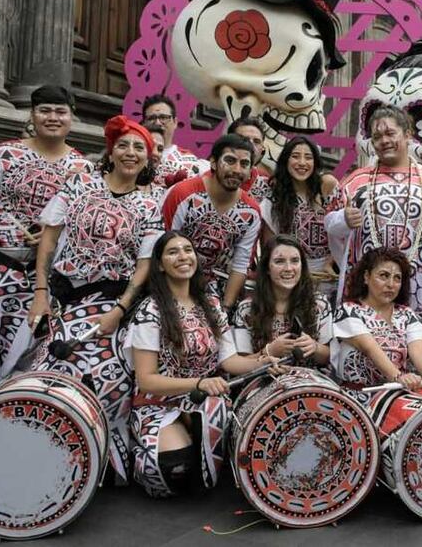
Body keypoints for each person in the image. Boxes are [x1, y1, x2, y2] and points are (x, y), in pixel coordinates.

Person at [28, 115, 163, 483]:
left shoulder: (152, 206)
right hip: (67, 303)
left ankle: (93, 466)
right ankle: (40, 455)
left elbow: (143, 266)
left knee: (112, 381)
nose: (130, 153)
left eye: (139, 147)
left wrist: (120, 311)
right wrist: (40, 293)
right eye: (124, 145)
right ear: (111, 150)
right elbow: (49, 242)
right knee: (53, 372)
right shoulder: (79, 185)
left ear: (148, 158)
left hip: (114, 308)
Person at [0, 85, 91, 428]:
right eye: (45, 110)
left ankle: (6, 437)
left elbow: (80, 224)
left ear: (71, 117)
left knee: (28, 361)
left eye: (60, 111)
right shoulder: (5, 155)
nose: (53, 118)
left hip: (42, 281)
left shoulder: (82, 168)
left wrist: (53, 236)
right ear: (32, 115)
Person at [126, 231, 276, 497]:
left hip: (204, 400)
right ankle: (145, 445)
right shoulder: (150, 311)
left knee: (214, 412)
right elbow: (146, 380)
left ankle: (196, 433)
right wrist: (199, 382)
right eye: (173, 252)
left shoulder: (211, 304)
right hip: (158, 403)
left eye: (187, 250)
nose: (183, 256)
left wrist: (264, 361)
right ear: (160, 264)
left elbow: (229, 361)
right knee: (173, 470)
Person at [326, 105, 422, 316]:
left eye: (390, 133)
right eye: (377, 137)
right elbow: (330, 225)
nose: (384, 141)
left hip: (419, 285)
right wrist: (344, 219)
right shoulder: (356, 181)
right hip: (366, 284)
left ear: (407, 135)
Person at [162, 134, 261, 310]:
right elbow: (162, 248)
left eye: (244, 164)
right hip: (168, 285)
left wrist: (225, 309)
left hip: (213, 290)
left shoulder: (251, 211)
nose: (237, 170)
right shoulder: (183, 194)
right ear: (214, 162)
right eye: (230, 160)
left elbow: (241, 264)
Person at [332, 247, 422, 389]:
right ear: (366, 277)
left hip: (398, 393)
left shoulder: (406, 314)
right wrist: (397, 376)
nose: (391, 284)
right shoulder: (348, 310)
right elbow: (369, 348)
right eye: (384, 276)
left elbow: (417, 347)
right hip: (359, 396)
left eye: (397, 278)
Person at [230, 234, 333, 366]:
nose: (289, 268)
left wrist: (314, 347)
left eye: (295, 261)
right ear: (267, 268)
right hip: (264, 380)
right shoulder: (246, 309)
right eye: (279, 261)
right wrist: (269, 351)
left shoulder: (319, 304)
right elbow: (239, 363)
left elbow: (330, 357)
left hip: (309, 381)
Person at [260, 136, 339, 295]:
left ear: (316, 162)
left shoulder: (327, 187)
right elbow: (270, 248)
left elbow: (343, 230)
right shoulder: (273, 201)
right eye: (295, 156)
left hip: (328, 280)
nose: (302, 163)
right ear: (285, 161)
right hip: (290, 282)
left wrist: (330, 262)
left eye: (308, 157)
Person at [142, 94, 208, 187]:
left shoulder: (193, 162)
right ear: (144, 123)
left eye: (164, 117)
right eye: (151, 118)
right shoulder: (134, 155)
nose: (157, 122)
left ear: (175, 122)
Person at [227, 116, 272, 202]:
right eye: (244, 139)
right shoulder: (203, 174)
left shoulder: (270, 187)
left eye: (257, 141)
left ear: (262, 148)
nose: (251, 146)